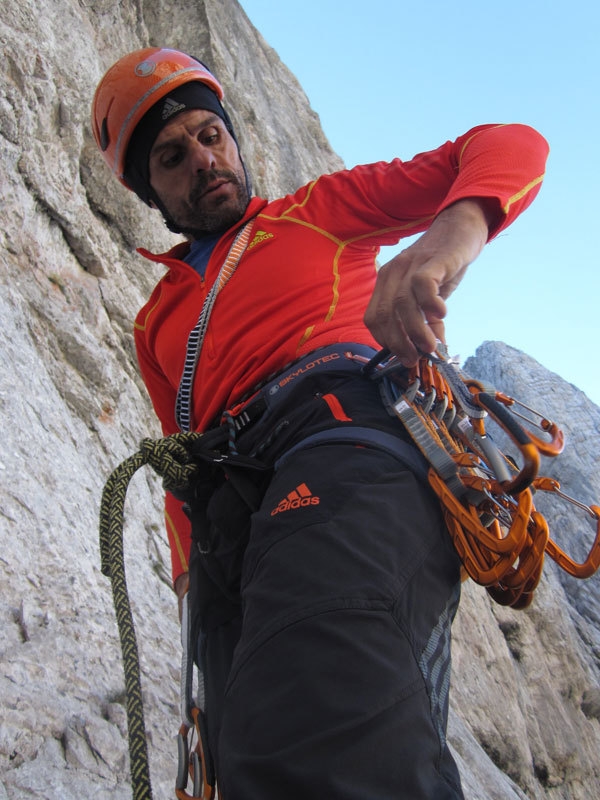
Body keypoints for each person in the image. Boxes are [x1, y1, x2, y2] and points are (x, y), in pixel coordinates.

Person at [92, 46, 549, 799]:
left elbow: (508, 146)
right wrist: (188, 587)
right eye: (172, 156)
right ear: (150, 192)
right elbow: (179, 463)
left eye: (211, 135)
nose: (204, 159)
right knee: (248, 759)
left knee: (319, 711)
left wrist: (441, 244)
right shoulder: (156, 324)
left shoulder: (319, 212)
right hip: (229, 524)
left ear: (234, 139)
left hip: (340, 441)